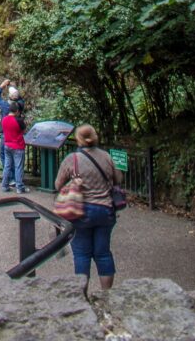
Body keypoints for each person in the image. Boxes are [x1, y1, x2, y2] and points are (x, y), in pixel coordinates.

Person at [54, 124, 123, 293]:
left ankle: (82, 296)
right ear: (95, 136)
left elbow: (58, 184)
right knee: (103, 253)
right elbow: (118, 179)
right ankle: (106, 295)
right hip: (105, 210)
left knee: (82, 254)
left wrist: (74, 182)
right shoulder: (106, 156)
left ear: (78, 139)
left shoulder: (73, 159)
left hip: (80, 211)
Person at [0, 79, 25, 185]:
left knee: (4, 156)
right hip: (17, 135)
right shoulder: (20, 105)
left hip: (5, 135)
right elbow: (20, 100)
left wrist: (2, 86)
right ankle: (17, 182)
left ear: (9, 96)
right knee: (18, 161)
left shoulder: (5, 106)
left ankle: (10, 179)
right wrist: (15, 90)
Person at [0, 101, 28, 194]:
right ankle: (19, 187)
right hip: (18, 146)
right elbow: (24, 131)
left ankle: (4, 185)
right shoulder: (19, 120)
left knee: (7, 166)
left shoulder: (3, 119)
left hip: (7, 145)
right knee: (18, 167)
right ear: (16, 111)